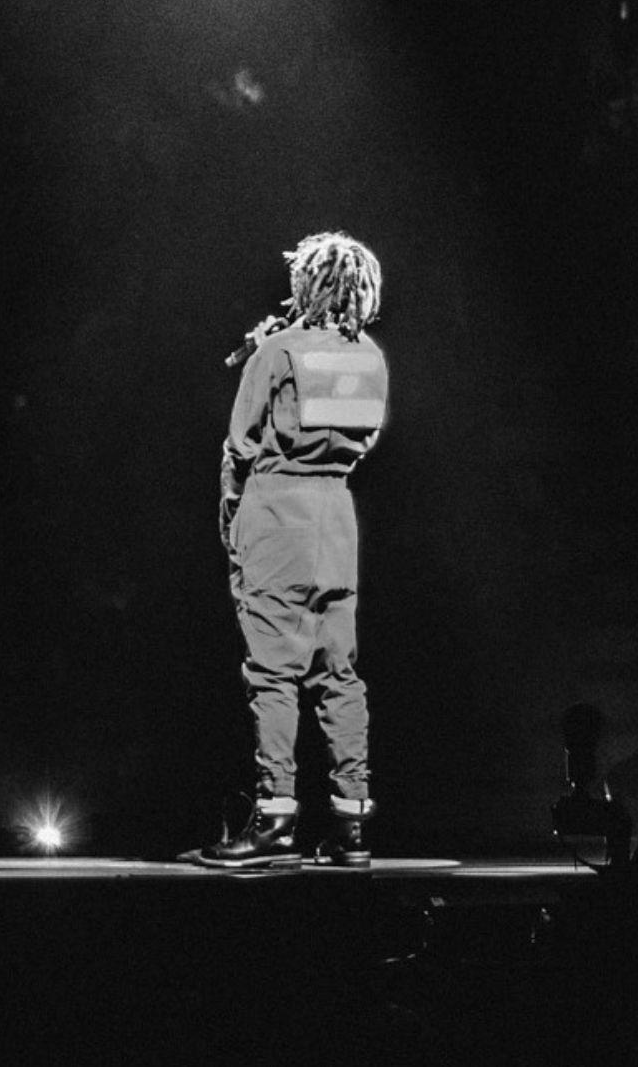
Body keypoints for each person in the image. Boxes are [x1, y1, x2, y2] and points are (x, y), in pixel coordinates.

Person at [196, 231, 389, 869]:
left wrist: (232, 520)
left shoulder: (278, 351)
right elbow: (364, 439)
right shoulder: (371, 357)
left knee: (272, 672)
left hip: (278, 512)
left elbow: (240, 445)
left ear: (308, 283)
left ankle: (275, 816)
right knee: (338, 672)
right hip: (336, 518)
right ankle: (352, 821)